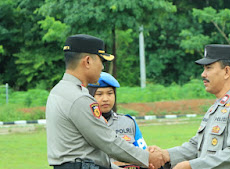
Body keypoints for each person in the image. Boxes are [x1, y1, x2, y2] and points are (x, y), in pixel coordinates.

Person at [46, 34, 165, 169]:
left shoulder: (58, 92)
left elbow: (89, 153)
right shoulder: (79, 99)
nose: (102, 67)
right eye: (101, 61)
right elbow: (108, 142)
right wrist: (147, 158)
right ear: (88, 61)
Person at [150, 44, 230, 169]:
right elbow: (196, 145)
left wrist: (192, 166)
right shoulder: (216, 107)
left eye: (208, 68)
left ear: (227, 72)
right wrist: (166, 155)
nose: (203, 74)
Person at [88, 72, 147, 168]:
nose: (105, 99)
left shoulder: (128, 122)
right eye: (99, 94)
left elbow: (143, 153)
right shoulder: (83, 124)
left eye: (110, 93)